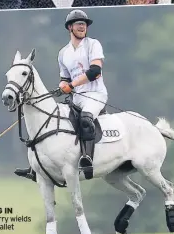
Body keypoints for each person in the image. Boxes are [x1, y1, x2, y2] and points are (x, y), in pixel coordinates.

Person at [15, 9, 108, 181]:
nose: (82, 26)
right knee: (47, 120)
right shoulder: (63, 53)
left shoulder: (93, 44)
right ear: (70, 27)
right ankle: (36, 167)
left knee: (86, 119)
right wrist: (63, 85)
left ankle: (86, 159)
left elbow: (95, 71)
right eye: (78, 23)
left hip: (95, 95)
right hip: (76, 97)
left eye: (84, 24)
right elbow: (64, 78)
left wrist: (71, 85)